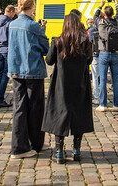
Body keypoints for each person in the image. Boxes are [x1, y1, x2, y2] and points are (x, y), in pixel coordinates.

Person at [42, 12, 94, 164]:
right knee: (78, 113)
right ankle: (76, 150)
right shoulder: (85, 41)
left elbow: (49, 60)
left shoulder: (58, 41)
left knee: (60, 114)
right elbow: (89, 60)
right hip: (80, 83)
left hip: (61, 84)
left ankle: (59, 151)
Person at [7, 0, 49, 159]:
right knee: (35, 109)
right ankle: (33, 144)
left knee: (19, 108)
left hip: (16, 70)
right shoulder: (33, 26)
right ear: (32, 7)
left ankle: (20, 145)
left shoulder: (13, 24)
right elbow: (45, 48)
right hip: (32, 70)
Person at [94, 0, 118, 111]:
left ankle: (103, 105)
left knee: (103, 80)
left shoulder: (100, 23)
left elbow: (95, 15)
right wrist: (116, 2)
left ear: (104, 14)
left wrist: (100, 5)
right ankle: (116, 105)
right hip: (115, 54)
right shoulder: (117, 22)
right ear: (112, 13)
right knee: (116, 80)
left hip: (104, 54)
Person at [0, 5, 16, 107]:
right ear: (10, 11)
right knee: (5, 75)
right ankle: (0, 99)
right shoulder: (9, 23)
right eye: (14, 13)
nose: (14, 15)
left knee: (0, 74)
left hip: (0, 49)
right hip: (7, 49)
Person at [86, 17, 100, 103]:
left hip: (93, 54)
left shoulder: (90, 31)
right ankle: (99, 95)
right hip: (100, 54)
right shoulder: (99, 29)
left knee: (94, 77)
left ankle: (96, 97)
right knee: (99, 76)